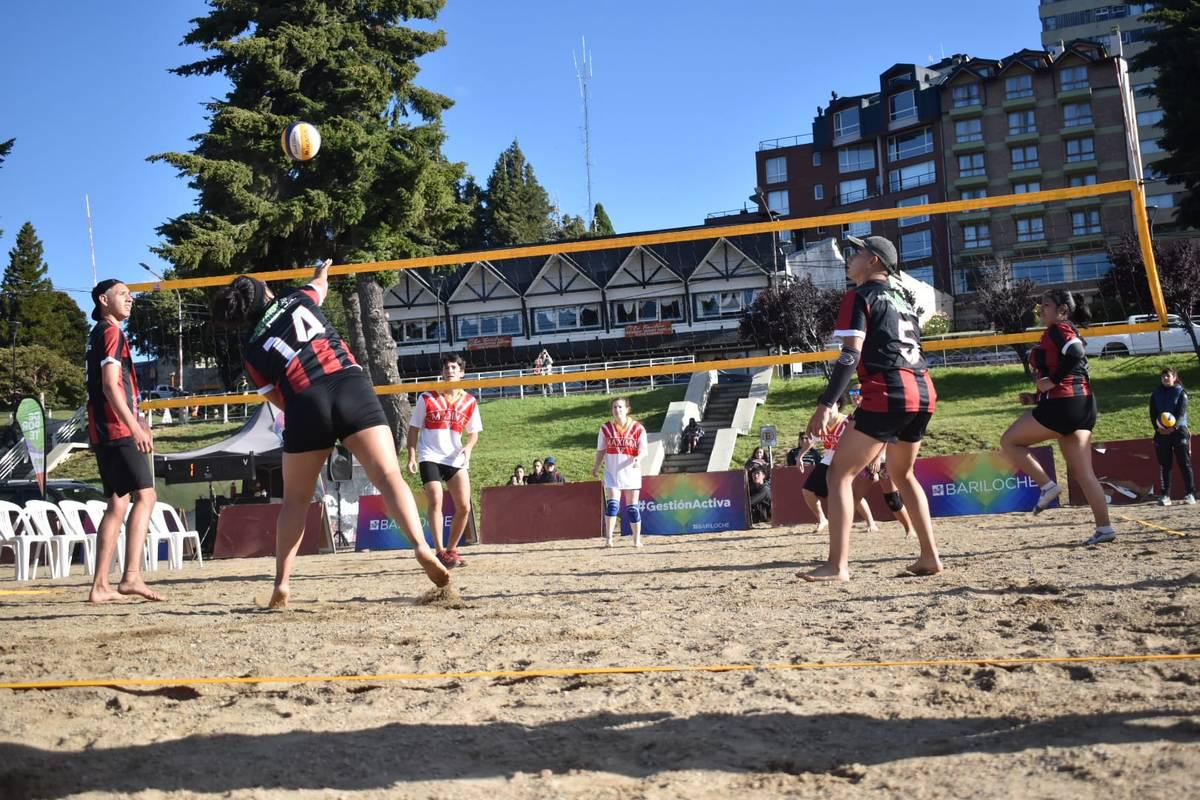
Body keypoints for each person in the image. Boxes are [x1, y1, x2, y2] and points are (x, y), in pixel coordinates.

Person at [211, 259, 449, 607]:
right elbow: (320, 284)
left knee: (294, 501)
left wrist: (306, 415)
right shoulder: (297, 298)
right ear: (266, 290)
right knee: (388, 475)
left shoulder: (252, 348)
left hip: (304, 398)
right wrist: (323, 269)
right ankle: (421, 547)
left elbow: (278, 400)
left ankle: (282, 583)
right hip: (349, 383)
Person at [803, 235, 942, 582]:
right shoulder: (903, 299)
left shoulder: (859, 296)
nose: (851, 257)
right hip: (923, 390)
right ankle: (930, 556)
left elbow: (850, 355)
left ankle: (837, 566)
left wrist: (826, 403)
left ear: (875, 261)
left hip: (889, 391)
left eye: (858, 252)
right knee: (904, 475)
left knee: (839, 475)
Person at [999, 290, 1115, 546]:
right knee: (1085, 475)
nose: (1041, 309)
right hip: (1082, 405)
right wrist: (1036, 396)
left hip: (1065, 404)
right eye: (1041, 305)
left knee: (1010, 442)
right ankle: (1105, 528)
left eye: (1047, 305)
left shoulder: (1058, 329)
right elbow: (1073, 365)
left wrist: (1052, 381)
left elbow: (1075, 354)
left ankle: (1047, 486)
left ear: (1062, 310)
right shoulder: (1066, 330)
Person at [85, 278, 164, 603]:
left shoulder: (99, 334)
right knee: (147, 496)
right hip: (116, 429)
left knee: (118, 503)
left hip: (104, 428)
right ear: (104, 299)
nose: (130, 299)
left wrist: (138, 416)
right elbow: (109, 385)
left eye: (130, 295)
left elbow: (117, 386)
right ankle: (131, 576)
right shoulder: (111, 332)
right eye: (123, 294)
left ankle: (100, 585)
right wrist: (133, 426)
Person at [407, 353, 482, 569]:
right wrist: (412, 455)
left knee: (464, 507)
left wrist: (468, 447)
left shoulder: (469, 401)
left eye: (454, 368)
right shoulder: (427, 397)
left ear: (462, 373)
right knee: (435, 500)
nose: (450, 371)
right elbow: (414, 429)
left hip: (455, 457)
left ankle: (451, 550)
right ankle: (440, 551)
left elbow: (474, 433)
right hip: (430, 455)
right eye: (447, 368)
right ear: (442, 372)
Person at [793, 398, 880, 535]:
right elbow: (811, 440)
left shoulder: (847, 421)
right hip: (828, 460)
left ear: (837, 405)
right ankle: (822, 519)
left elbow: (864, 440)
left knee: (852, 494)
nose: (827, 409)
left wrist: (872, 459)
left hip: (847, 460)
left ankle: (871, 523)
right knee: (807, 491)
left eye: (830, 405)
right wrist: (800, 456)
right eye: (823, 406)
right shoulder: (821, 423)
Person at [850, 385, 918, 538]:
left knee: (892, 498)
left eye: (858, 392)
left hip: (881, 460)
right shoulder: (855, 414)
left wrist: (876, 458)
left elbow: (887, 437)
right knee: (853, 497)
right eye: (852, 392)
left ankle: (910, 529)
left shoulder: (876, 410)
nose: (855, 395)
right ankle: (841, 531)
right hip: (865, 460)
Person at [593, 397, 648, 547]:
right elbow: (601, 450)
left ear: (627, 409)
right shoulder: (605, 428)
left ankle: (636, 540)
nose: (617, 410)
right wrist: (596, 466)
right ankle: (609, 539)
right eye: (614, 407)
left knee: (632, 508)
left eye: (620, 407)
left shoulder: (638, 428)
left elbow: (644, 450)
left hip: (631, 473)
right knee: (612, 505)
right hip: (613, 472)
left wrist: (638, 459)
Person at [1151, 366, 1195, 506]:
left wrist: (1173, 427)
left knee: (1184, 463)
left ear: (1174, 377)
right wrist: (1159, 429)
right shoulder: (1155, 393)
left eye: (1168, 376)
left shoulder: (1181, 392)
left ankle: (1190, 494)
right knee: (1165, 465)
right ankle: (1165, 496)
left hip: (1179, 431)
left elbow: (1181, 412)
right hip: (1162, 433)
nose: (1165, 378)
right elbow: (1152, 414)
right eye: (1163, 376)